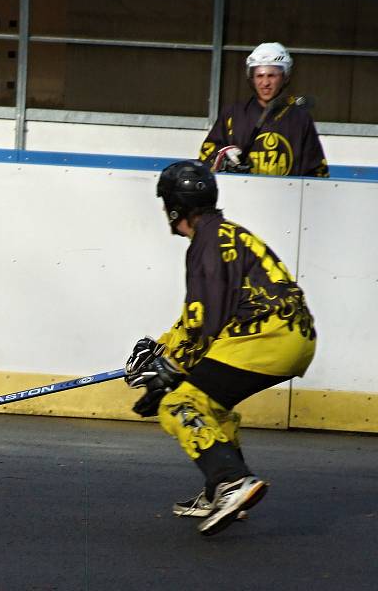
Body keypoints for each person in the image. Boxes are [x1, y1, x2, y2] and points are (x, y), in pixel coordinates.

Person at [123, 160, 316, 536]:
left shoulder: (206, 245)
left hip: (265, 337)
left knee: (178, 403)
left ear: (174, 207)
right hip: (288, 337)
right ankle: (220, 490)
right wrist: (164, 351)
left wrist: (170, 373)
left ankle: (231, 481)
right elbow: (195, 319)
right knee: (210, 403)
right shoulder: (227, 234)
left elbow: (204, 321)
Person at [199, 42, 328, 177]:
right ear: (252, 79)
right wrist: (221, 154)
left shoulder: (301, 119)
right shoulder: (233, 114)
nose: (265, 83)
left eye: (272, 76)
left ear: (285, 77)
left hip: (286, 195)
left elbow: (317, 171)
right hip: (240, 193)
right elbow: (206, 153)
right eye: (260, 76)